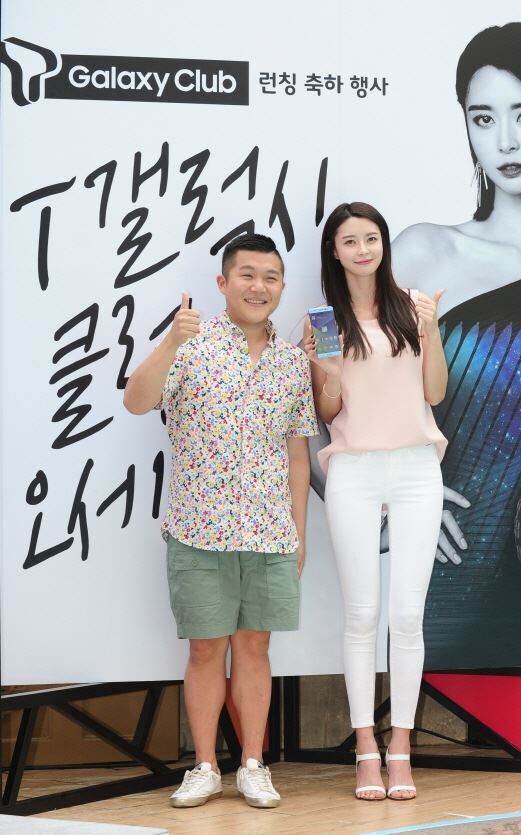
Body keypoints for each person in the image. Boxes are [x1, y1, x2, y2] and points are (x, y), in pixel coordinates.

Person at [392, 22, 521, 669]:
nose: (505, 141)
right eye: (483, 118)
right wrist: (388, 503)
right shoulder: (424, 250)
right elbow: (327, 387)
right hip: (446, 583)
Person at [124, 234, 317, 809]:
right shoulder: (190, 345)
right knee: (206, 652)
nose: (259, 286)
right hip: (197, 529)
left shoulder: (292, 362)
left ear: (281, 286)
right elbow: (136, 401)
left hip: (270, 532)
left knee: (255, 649)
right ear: (223, 283)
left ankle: (253, 765)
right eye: (247, 275)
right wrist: (169, 342)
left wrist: (299, 532)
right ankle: (205, 766)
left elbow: (298, 453)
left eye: (271, 277)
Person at [303, 201, 447, 800]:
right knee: (361, 614)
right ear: (334, 252)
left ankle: (402, 748)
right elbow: (326, 411)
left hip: (416, 468)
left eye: (371, 238)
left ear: (383, 244)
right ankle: (366, 748)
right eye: (350, 241)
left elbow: (434, 394)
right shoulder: (322, 321)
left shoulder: (413, 307)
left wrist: (431, 330)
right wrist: (330, 373)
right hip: (354, 470)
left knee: (407, 617)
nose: (362, 249)